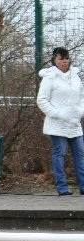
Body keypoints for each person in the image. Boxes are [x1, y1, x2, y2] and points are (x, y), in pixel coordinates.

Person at [36, 46, 84, 195]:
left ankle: (83, 186)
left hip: (74, 123)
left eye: (66, 58)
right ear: (54, 60)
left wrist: (80, 111)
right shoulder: (49, 77)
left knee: (80, 154)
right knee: (59, 154)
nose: (64, 62)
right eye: (60, 59)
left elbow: (82, 96)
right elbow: (42, 100)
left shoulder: (75, 76)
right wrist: (57, 114)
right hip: (57, 124)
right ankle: (62, 188)